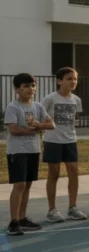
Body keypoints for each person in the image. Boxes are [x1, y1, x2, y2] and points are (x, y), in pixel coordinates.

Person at [6, 73, 53, 236]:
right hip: (18, 151)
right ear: (17, 89)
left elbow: (51, 124)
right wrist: (33, 129)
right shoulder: (13, 107)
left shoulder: (38, 106)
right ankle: (13, 222)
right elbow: (14, 129)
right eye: (26, 86)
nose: (31, 89)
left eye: (33, 85)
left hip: (33, 150)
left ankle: (22, 218)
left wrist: (39, 125)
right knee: (19, 185)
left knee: (27, 185)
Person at [42, 67, 87, 222]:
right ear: (59, 81)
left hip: (70, 141)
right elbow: (41, 117)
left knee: (73, 172)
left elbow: (74, 119)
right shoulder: (50, 99)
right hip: (53, 141)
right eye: (69, 79)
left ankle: (73, 207)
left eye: (75, 79)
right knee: (54, 174)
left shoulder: (76, 100)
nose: (73, 81)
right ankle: (52, 210)